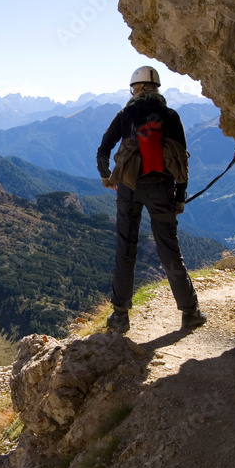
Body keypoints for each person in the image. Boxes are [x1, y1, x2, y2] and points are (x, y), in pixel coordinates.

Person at [96, 66, 207, 334]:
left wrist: (107, 176)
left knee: (126, 247)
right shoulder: (171, 116)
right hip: (161, 188)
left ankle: (120, 315)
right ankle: (190, 312)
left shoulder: (125, 115)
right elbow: (182, 160)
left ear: (136, 88)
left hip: (128, 187)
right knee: (169, 250)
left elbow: (103, 148)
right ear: (156, 88)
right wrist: (180, 196)